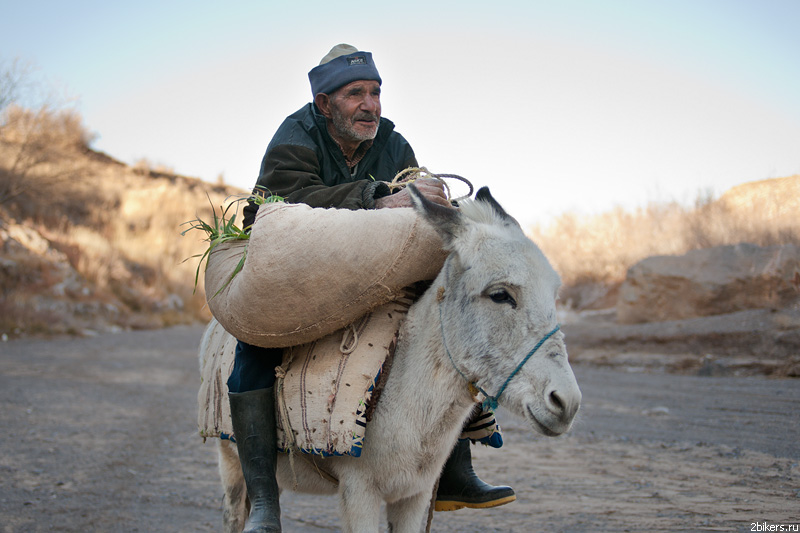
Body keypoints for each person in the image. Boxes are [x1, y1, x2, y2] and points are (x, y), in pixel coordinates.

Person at [227, 44, 514, 533]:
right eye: (355, 93)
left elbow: (415, 189)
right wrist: (380, 199)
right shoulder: (294, 137)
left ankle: (455, 468)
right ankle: (264, 500)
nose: (370, 104)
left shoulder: (393, 144)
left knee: (452, 318)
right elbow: (281, 202)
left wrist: (430, 196)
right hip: (305, 268)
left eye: (376, 92)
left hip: (377, 272)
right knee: (255, 344)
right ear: (324, 103)